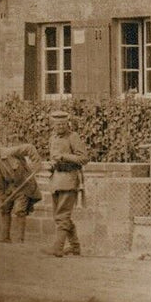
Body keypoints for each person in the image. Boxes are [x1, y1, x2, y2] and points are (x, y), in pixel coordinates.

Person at [0, 139, 41, 243]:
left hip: (22, 186)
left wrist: (36, 163)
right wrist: (2, 198)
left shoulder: (10, 152)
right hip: (8, 189)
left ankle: (20, 239)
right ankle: (5, 238)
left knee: (19, 210)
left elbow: (29, 148)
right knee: (4, 209)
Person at [45, 109, 87, 257]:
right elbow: (53, 159)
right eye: (57, 124)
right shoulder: (52, 138)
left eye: (63, 124)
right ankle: (75, 247)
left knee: (62, 215)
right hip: (56, 180)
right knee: (59, 215)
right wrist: (51, 165)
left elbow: (83, 158)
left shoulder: (73, 137)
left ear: (67, 124)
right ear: (53, 125)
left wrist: (63, 156)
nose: (60, 127)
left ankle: (58, 248)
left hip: (69, 180)